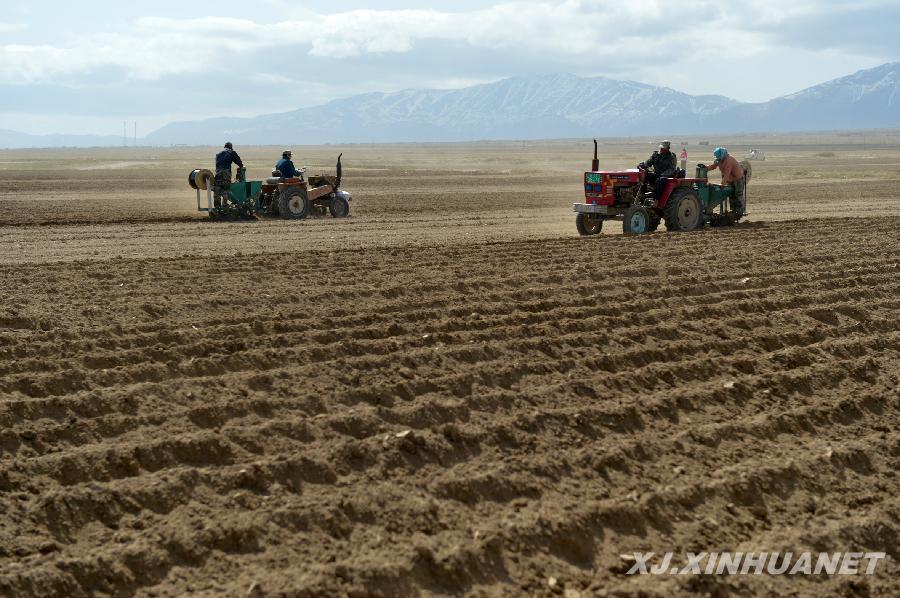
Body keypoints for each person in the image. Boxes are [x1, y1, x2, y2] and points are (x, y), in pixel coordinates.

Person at [708, 147, 745, 216]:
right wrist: (706, 168)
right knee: (731, 194)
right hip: (730, 179)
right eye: (716, 157)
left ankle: (740, 211)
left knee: (738, 194)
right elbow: (713, 166)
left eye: (717, 156)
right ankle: (734, 211)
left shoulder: (729, 160)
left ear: (722, 155)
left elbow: (727, 173)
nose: (717, 158)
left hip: (738, 179)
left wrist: (723, 184)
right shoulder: (719, 160)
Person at [214, 142, 243, 209]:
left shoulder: (218, 153)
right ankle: (224, 206)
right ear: (230, 147)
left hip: (218, 172)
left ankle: (217, 206)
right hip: (225, 172)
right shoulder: (231, 152)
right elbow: (238, 162)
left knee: (217, 188)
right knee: (225, 188)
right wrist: (241, 166)